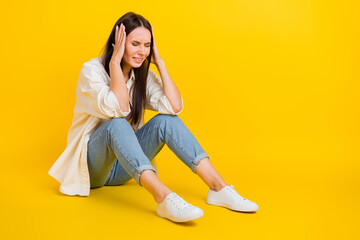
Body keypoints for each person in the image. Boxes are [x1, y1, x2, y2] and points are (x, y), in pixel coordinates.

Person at [48, 12, 259, 223]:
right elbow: (118, 108)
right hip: (91, 169)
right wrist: (114, 63)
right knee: (117, 123)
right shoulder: (92, 71)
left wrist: (160, 63)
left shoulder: (142, 75)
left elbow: (174, 107)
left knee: (167, 120)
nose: (142, 51)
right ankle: (163, 198)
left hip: (124, 167)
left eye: (147, 45)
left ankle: (218, 188)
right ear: (118, 42)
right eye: (135, 44)